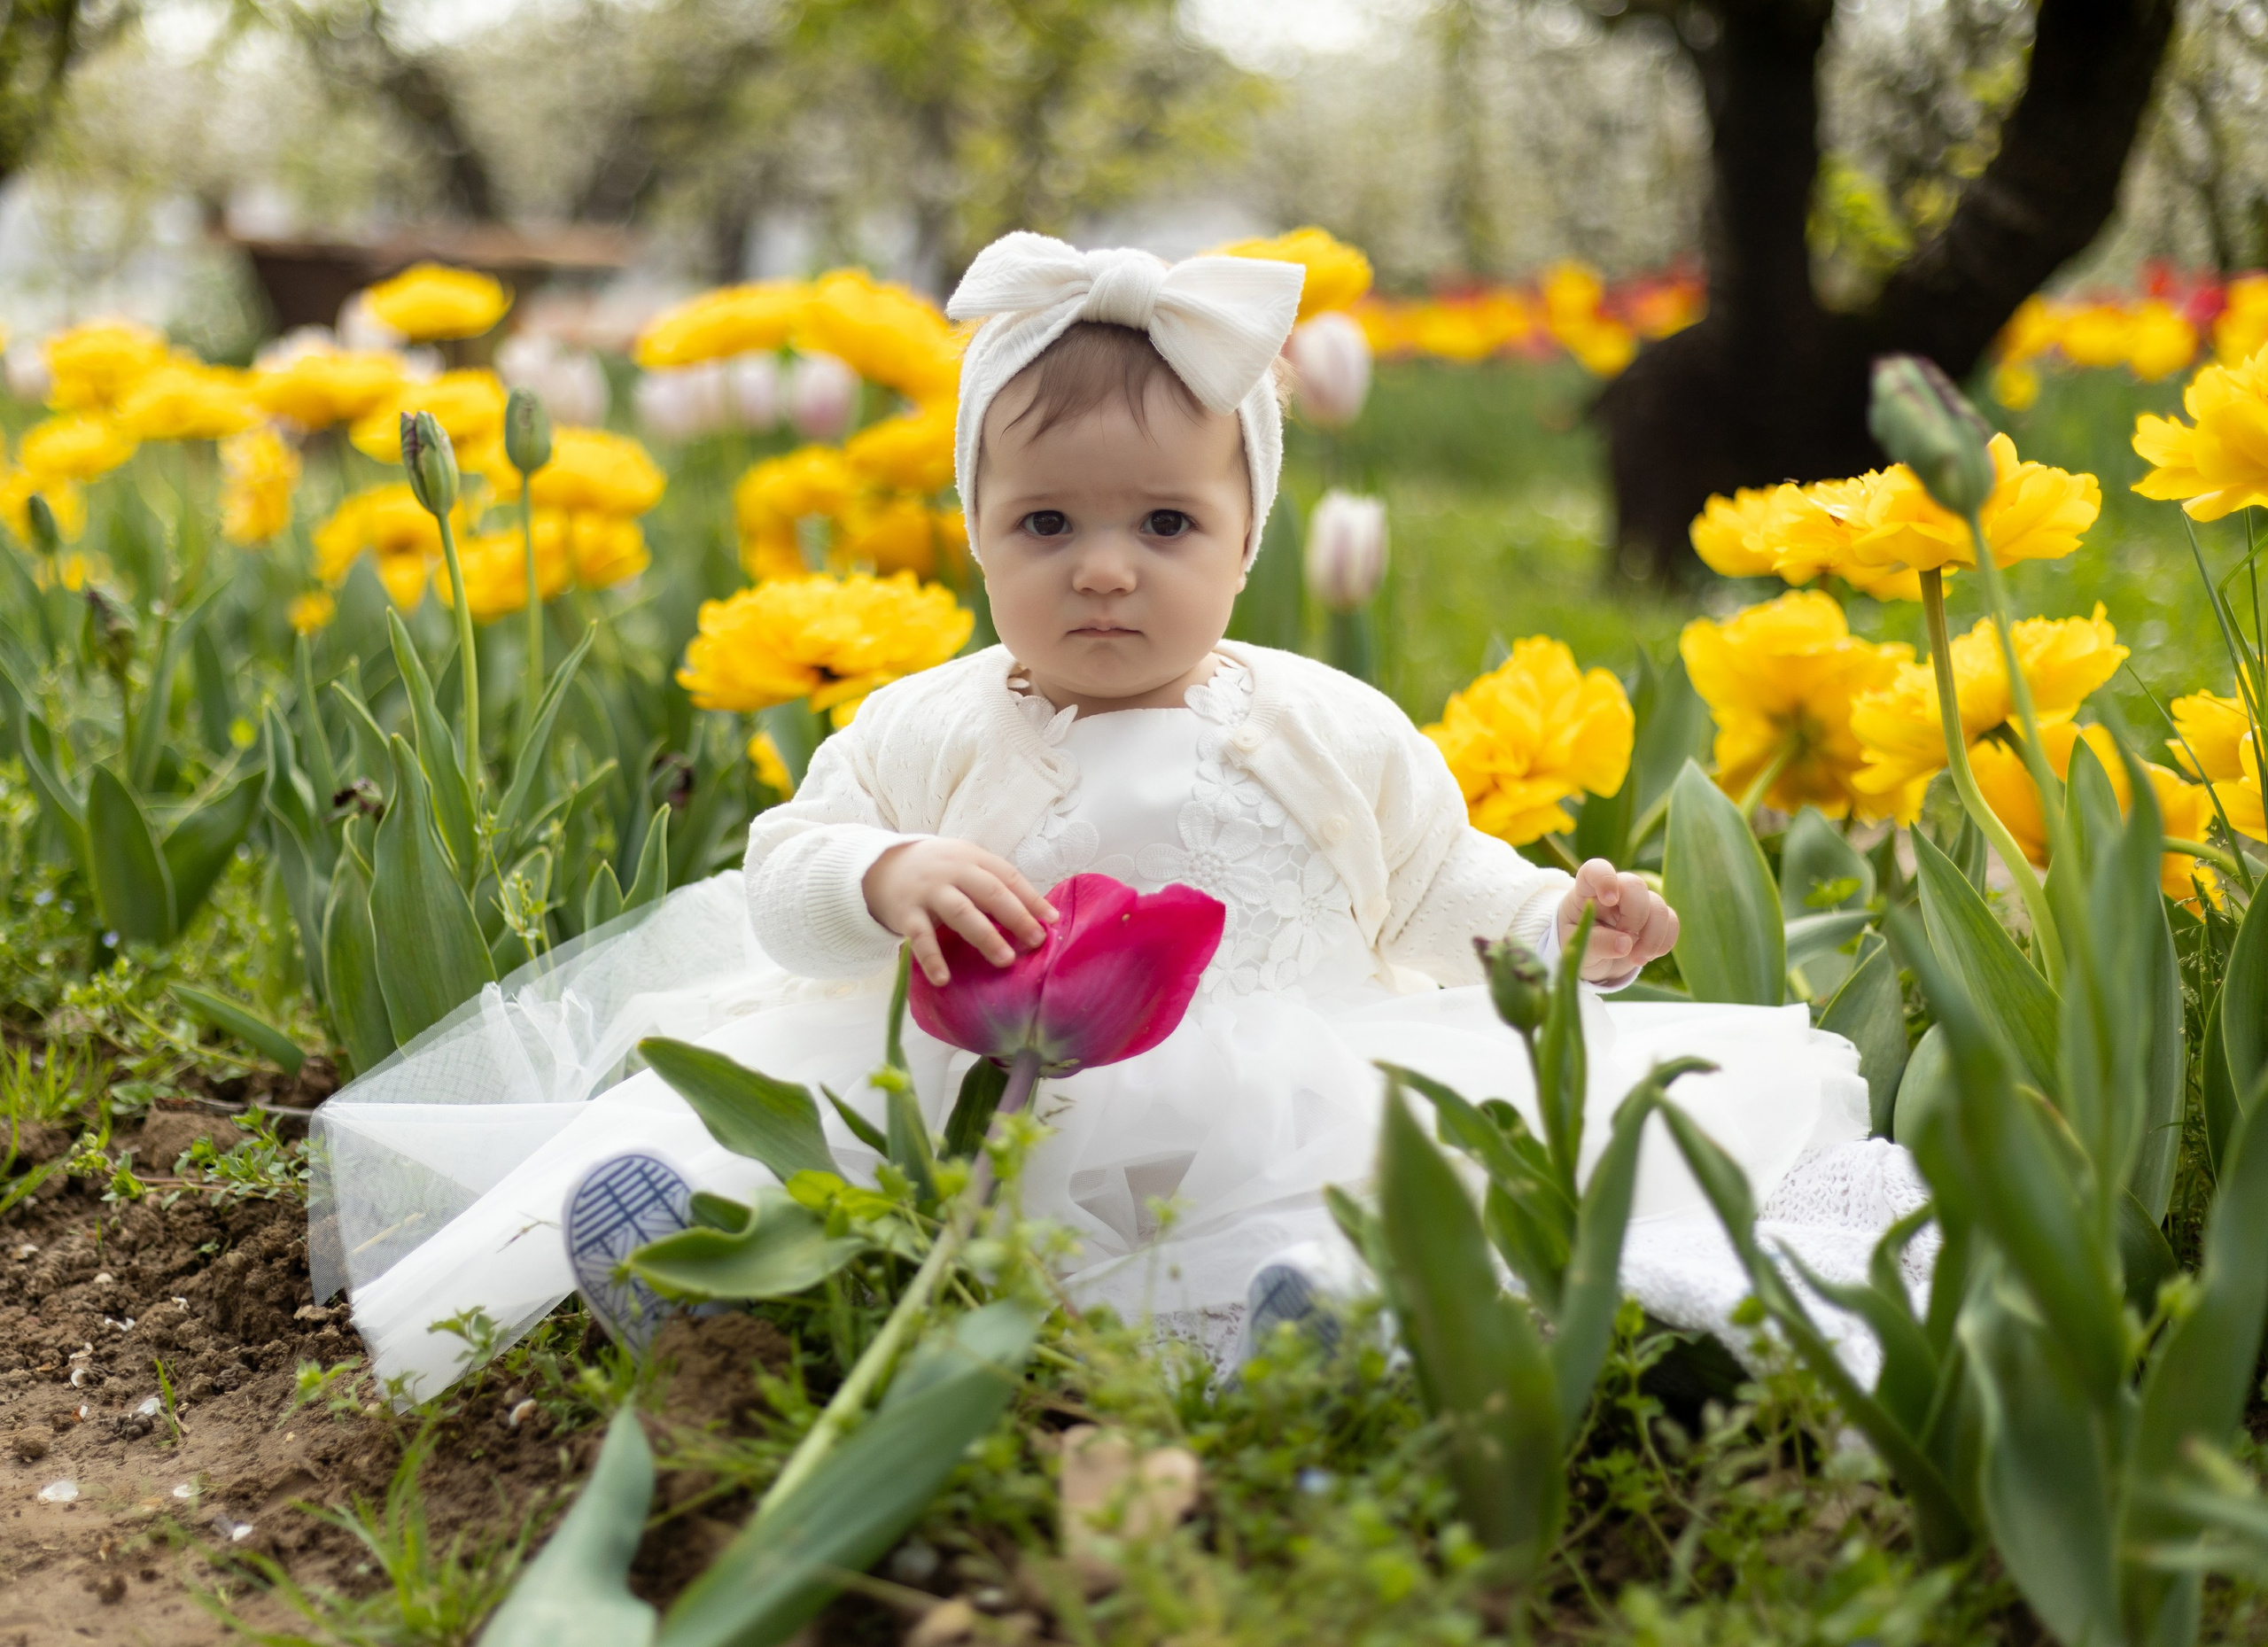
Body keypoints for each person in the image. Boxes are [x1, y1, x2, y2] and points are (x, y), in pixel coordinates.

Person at [311, 234, 1913, 1401]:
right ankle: (696, 1284)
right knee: (759, 1136)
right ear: (978, 538)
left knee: (1353, 1205)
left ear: (1244, 539)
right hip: (966, 1094)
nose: (1103, 566)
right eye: (1046, 522)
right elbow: (781, 865)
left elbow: (1439, 887)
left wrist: (1567, 928)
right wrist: (886, 873)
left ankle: (1306, 1338)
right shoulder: (932, 718)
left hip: (1284, 1085)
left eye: (1164, 522)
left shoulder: (1323, 722)